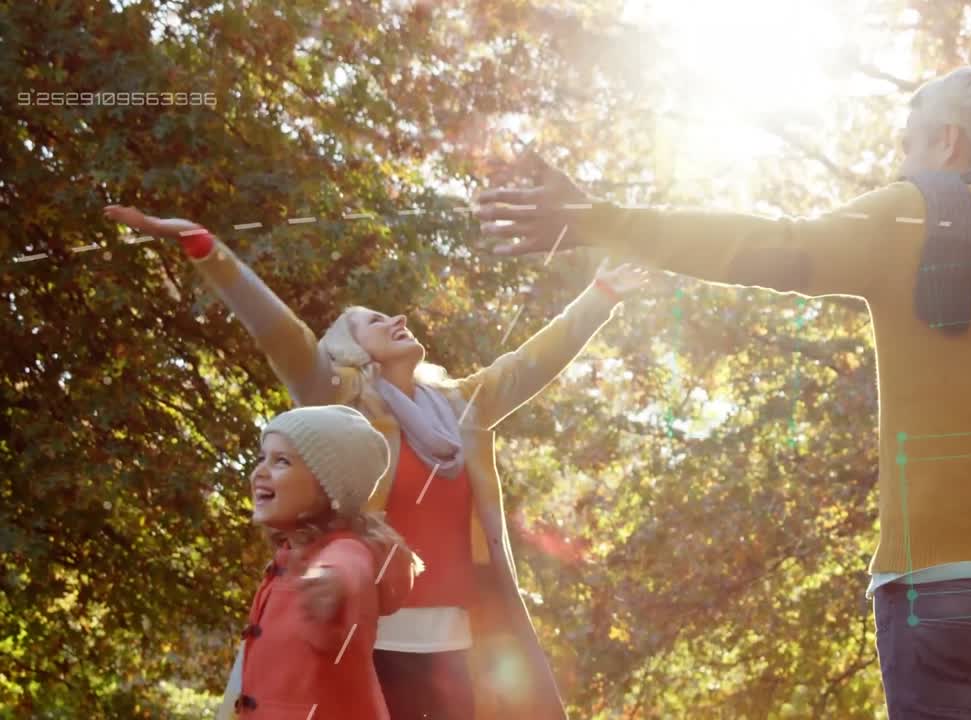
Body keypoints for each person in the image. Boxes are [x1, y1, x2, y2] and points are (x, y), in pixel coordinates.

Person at [472, 65, 971, 718]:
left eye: (909, 139)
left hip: (932, 593)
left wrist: (599, 218)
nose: (901, 157)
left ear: (948, 140)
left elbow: (763, 246)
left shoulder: (906, 218)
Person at [103, 204, 648, 720]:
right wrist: (205, 247)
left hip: (456, 645)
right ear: (350, 352)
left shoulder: (463, 408)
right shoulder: (340, 408)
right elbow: (280, 333)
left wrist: (600, 294)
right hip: (361, 642)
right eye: (372, 321)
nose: (397, 319)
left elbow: (528, 363)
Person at [217, 404, 415, 719]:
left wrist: (333, 580)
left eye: (281, 461)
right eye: (261, 459)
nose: (259, 472)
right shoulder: (287, 558)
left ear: (328, 487)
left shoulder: (345, 550)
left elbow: (350, 565)